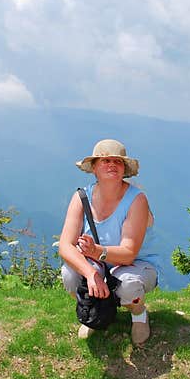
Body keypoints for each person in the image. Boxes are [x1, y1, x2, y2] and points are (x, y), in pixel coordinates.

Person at [58, 139, 159, 347]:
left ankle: (138, 314)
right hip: (98, 265)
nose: (111, 164)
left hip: (135, 265)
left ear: (124, 169)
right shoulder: (81, 198)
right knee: (70, 275)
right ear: (94, 168)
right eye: (105, 160)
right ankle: (93, 308)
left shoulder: (137, 200)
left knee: (128, 285)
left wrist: (96, 251)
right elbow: (65, 246)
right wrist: (91, 274)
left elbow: (129, 253)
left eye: (117, 161)